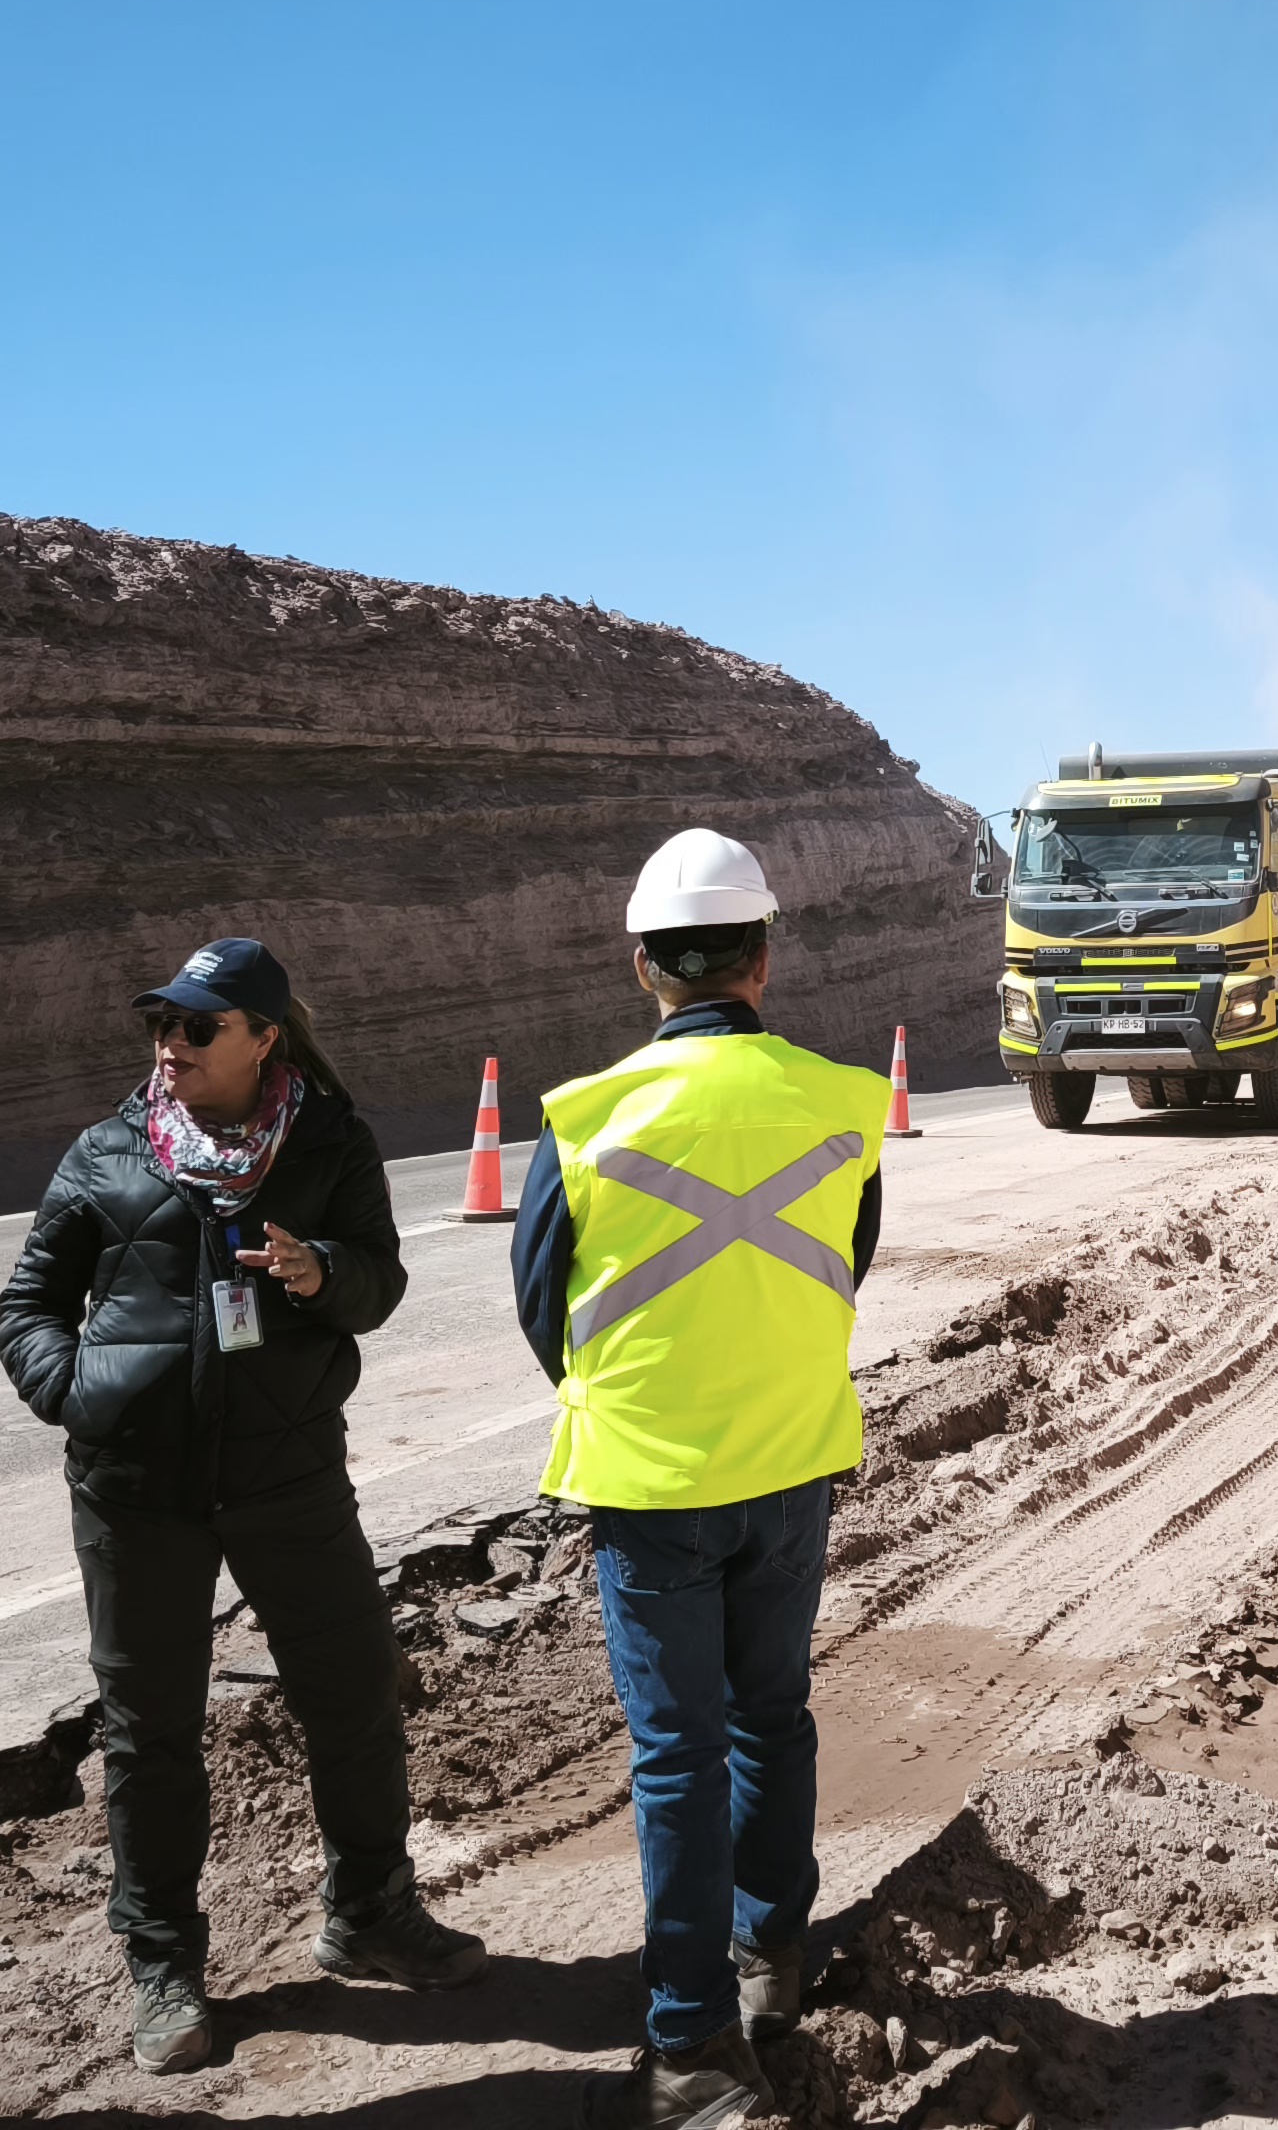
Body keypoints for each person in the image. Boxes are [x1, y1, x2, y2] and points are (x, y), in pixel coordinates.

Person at [0, 937, 484, 2073]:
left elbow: (381, 1282)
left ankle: (369, 1912)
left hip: (287, 1476)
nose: (170, 1044)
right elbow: (26, 1301)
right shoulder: (108, 1152)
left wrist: (321, 1272)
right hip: (136, 1494)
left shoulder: (326, 1145)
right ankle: (163, 1962)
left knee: (354, 1696)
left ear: (265, 1037)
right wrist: (77, 1396)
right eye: (160, 1023)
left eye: (198, 1026)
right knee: (149, 1733)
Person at [512, 830, 888, 2128]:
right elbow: (851, 1260)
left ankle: (690, 2048)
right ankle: (772, 1956)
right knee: (770, 1718)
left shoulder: (585, 1118)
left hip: (651, 1484)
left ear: (642, 970)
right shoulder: (840, 1104)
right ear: (763, 962)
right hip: (791, 1467)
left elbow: (538, 1304)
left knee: (676, 1756)